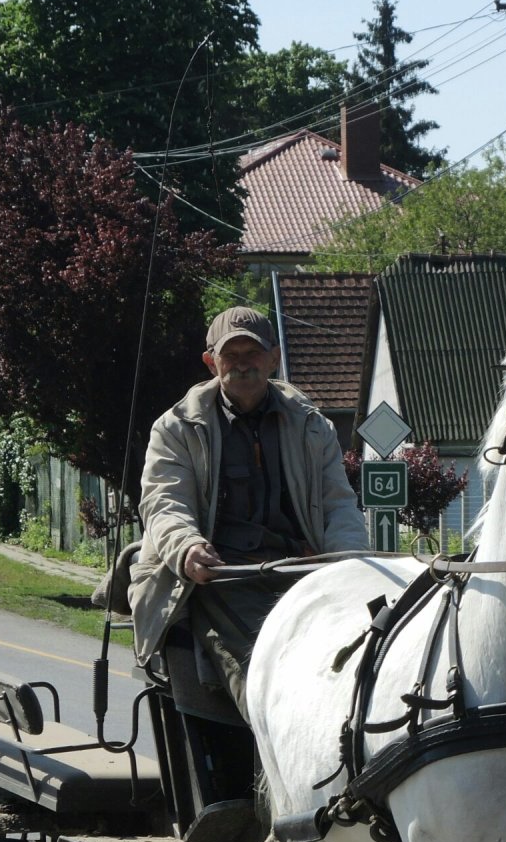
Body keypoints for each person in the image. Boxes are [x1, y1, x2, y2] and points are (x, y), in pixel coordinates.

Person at [130, 306, 368, 716]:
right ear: (211, 363)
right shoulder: (176, 428)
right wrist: (187, 547)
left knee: (363, 651)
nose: (242, 364)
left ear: (274, 358)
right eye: (231, 355)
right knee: (264, 674)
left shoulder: (312, 426)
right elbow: (164, 502)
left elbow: (339, 505)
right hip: (219, 577)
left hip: (299, 571)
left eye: (253, 353)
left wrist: (349, 564)